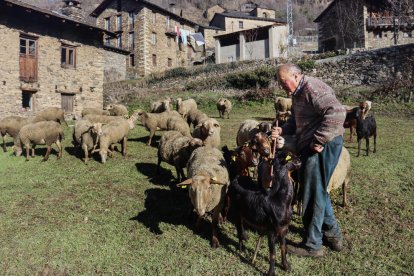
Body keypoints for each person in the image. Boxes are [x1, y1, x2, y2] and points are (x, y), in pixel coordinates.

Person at [272, 64, 346, 257]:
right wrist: (283, 130)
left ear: (296, 76)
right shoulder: (297, 94)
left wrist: (319, 139)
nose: (282, 86)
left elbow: (337, 112)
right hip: (313, 145)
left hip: (323, 146)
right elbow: (296, 122)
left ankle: (313, 245)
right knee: (318, 190)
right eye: (280, 83)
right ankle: (333, 235)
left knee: (312, 193)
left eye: (284, 81)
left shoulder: (312, 88)